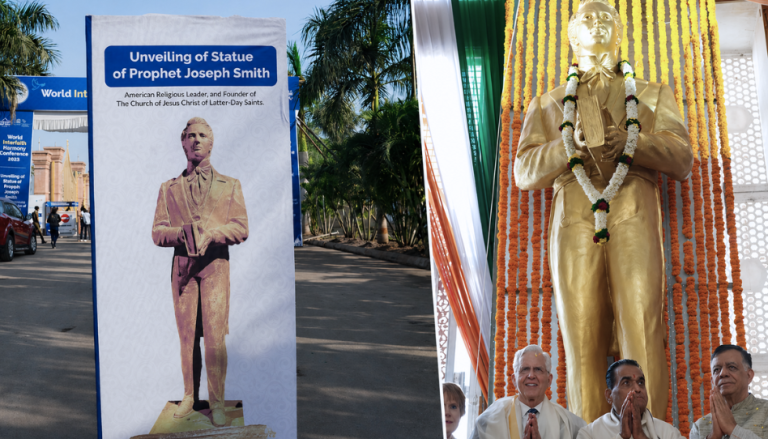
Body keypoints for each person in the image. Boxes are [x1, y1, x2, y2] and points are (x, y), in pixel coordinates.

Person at [513, 0, 693, 421]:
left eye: (606, 18)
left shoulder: (650, 94)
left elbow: (682, 158)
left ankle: (648, 430)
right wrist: (567, 147)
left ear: (620, 31)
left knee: (642, 326)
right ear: (572, 35)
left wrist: (635, 143)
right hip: (574, 212)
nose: (597, 24)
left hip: (633, 206)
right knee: (581, 337)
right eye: (587, 19)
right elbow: (523, 170)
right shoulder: (549, 103)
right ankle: (586, 432)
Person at [152, 117, 248, 427]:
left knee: (215, 338)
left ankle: (217, 402)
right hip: (183, 271)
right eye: (190, 135)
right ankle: (189, 396)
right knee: (186, 338)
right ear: (182, 142)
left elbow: (241, 227)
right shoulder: (168, 188)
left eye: (202, 135)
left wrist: (214, 234)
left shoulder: (230, 185)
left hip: (215, 268)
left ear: (211, 142)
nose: (196, 140)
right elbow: (157, 232)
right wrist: (180, 234)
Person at [471, 345, 587, 439]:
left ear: (549, 380)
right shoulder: (489, 420)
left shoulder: (571, 423)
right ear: (514, 380)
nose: (531, 375)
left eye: (538, 369)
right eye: (524, 369)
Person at [578, 360, 684, 439]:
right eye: (626, 383)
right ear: (609, 395)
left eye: (640, 383)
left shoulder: (669, 433)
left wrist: (641, 436)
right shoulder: (590, 433)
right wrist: (622, 437)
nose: (637, 389)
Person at [690, 345, 768, 439]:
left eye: (732, 367)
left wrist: (732, 428)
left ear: (749, 376)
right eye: (716, 369)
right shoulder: (699, 426)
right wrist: (713, 436)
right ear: (712, 381)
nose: (722, 373)